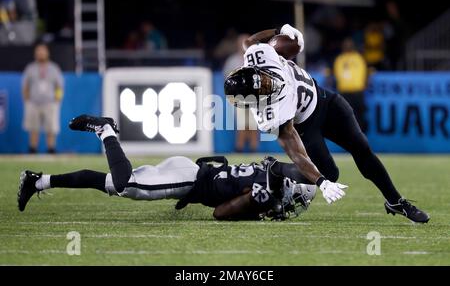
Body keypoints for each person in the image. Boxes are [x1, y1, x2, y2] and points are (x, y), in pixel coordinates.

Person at [224, 24, 430, 223]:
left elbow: (251, 41)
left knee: (362, 148)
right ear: (254, 100)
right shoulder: (268, 115)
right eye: (263, 89)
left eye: (264, 79)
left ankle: (395, 201)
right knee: (329, 173)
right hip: (306, 125)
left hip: (325, 100)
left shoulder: (259, 55)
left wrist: (279, 31)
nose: (269, 83)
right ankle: (277, 170)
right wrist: (321, 183)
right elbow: (296, 152)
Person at [17, 115, 317, 221]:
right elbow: (219, 213)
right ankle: (105, 129)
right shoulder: (263, 187)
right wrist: (255, 205)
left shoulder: (270, 171)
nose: (294, 207)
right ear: (290, 186)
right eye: (298, 199)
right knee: (126, 186)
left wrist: (261, 204)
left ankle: (39, 181)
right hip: (188, 179)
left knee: (111, 184)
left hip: (188, 170)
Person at [22, 43, 64, 154]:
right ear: (35, 54)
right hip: (33, 103)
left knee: (51, 128)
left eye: (42, 51)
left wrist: (57, 100)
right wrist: (27, 101)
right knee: (33, 128)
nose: (40, 53)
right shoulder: (30, 68)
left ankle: (51, 148)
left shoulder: (54, 68)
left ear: (47, 53)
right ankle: (32, 149)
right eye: (38, 51)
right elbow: (25, 85)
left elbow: (59, 86)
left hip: (50, 103)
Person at [223, 34, 259, 152]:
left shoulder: (256, 58)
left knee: (254, 123)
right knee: (242, 123)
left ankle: (254, 148)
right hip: (239, 96)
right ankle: (239, 147)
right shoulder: (232, 60)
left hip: (254, 96)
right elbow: (227, 78)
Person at [332, 38, 371, 133]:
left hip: (357, 92)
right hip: (345, 92)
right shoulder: (339, 59)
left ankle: (362, 141)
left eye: (349, 44)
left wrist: (365, 83)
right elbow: (336, 75)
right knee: (346, 117)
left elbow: (365, 72)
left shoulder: (358, 57)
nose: (347, 46)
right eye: (346, 44)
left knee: (359, 117)